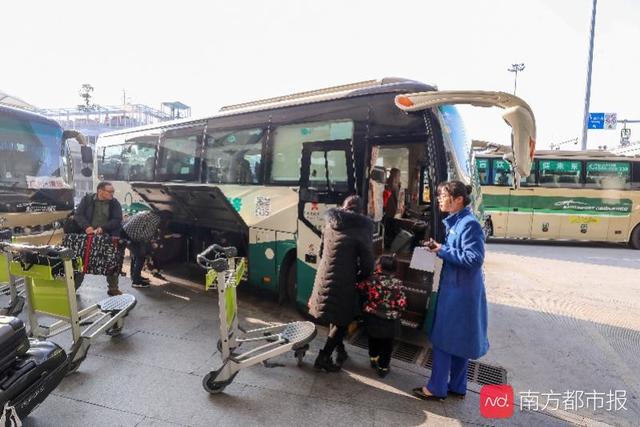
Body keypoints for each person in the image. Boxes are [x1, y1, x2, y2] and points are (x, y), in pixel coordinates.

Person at [412, 181, 488, 401]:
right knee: (458, 340)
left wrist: (443, 250)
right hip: (459, 289)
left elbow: (474, 258)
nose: (439, 199)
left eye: (443, 196)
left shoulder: (469, 224)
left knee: (444, 340)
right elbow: (460, 251)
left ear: (458, 200)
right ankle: (457, 385)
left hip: (459, 293)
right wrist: (439, 247)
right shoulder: (460, 221)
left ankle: (436, 388)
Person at [308, 195, 375, 372]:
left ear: (343, 207)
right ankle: (323, 357)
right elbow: (368, 263)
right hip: (344, 280)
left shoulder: (330, 224)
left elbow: (322, 252)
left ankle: (341, 350)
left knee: (336, 315)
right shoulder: (362, 229)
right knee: (342, 321)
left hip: (324, 277)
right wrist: (360, 277)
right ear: (360, 211)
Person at [356, 255, 406, 378]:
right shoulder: (398, 284)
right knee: (387, 345)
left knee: (373, 340)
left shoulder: (371, 280)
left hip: (373, 318)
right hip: (390, 321)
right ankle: (383, 368)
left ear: (379, 266)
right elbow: (402, 303)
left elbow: (360, 288)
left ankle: (373, 359)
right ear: (394, 269)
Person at [72, 181, 124, 296]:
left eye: (113, 192)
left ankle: (113, 288)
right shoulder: (88, 200)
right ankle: (72, 289)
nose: (112, 194)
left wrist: (103, 228)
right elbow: (78, 215)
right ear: (100, 191)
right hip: (88, 236)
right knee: (81, 262)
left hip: (107, 236)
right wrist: (87, 227)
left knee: (111, 262)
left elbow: (117, 219)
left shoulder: (114, 203)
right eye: (109, 191)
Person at [123, 210, 169, 288]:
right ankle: (136, 281)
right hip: (130, 237)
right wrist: (152, 243)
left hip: (126, 235)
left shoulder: (148, 213)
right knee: (141, 257)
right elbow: (145, 236)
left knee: (136, 255)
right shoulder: (155, 220)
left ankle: (134, 276)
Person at [383, 168, 402, 248]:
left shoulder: (396, 184)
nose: (399, 177)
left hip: (392, 211)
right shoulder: (390, 184)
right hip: (389, 211)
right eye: (398, 175)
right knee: (389, 230)